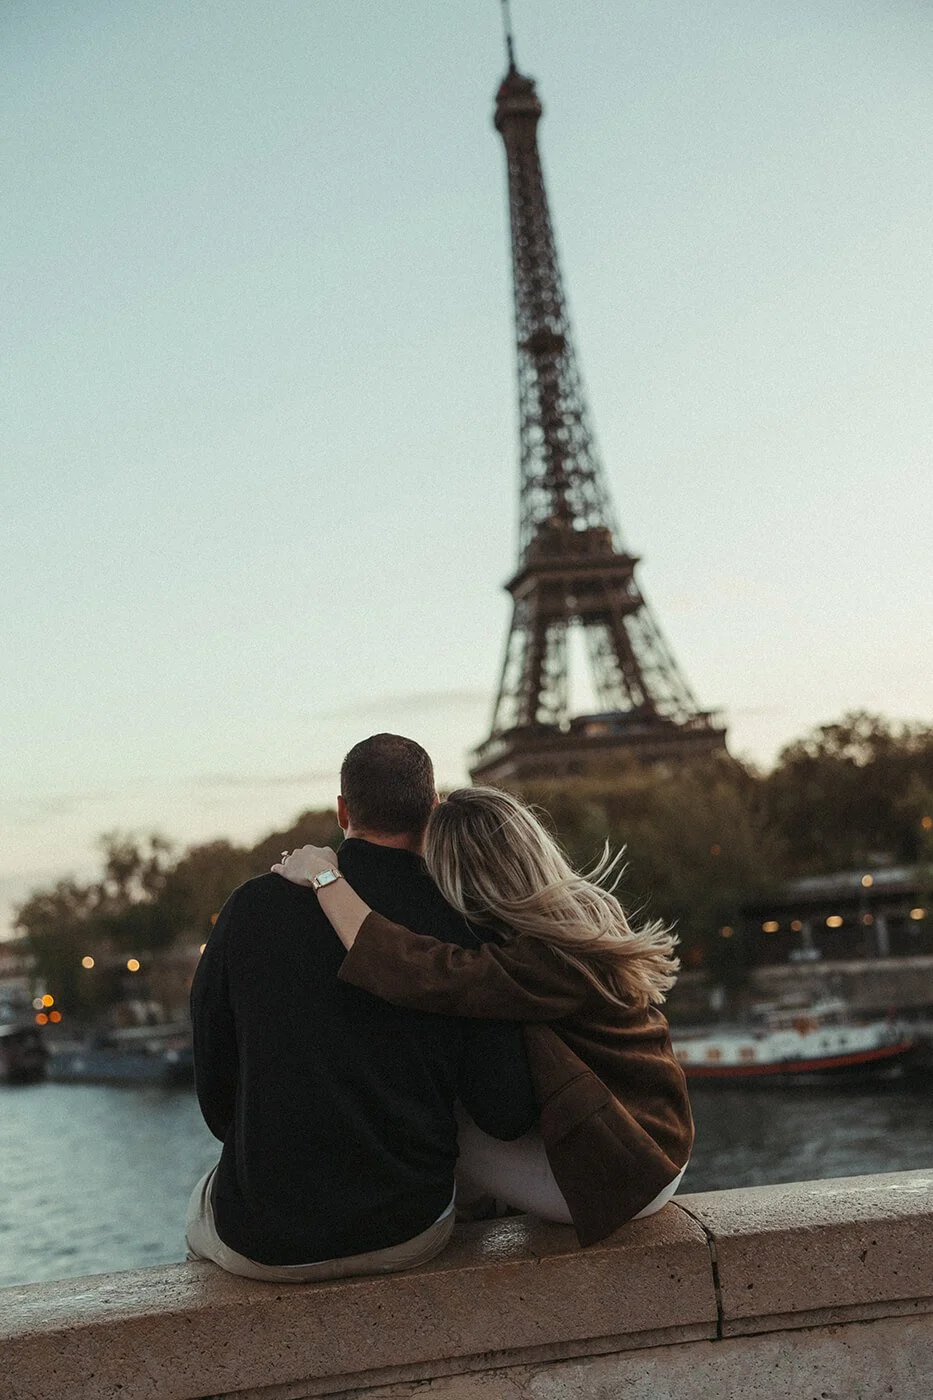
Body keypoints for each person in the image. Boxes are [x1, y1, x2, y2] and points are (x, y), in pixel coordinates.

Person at [273, 785, 694, 1247]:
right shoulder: (580, 915)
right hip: (649, 1144)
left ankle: (405, 1225)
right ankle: (470, 1209)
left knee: (424, 1090)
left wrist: (325, 878)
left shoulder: (543, 958)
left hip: (620, 1172)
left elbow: (418, 970)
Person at [187, 736, 537, 1282]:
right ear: (435, 809)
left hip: (265, 1236)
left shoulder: (249, 907)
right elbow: (505, 1111)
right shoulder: (462, 921)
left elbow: (216, 1099)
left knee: (203, 1204)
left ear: (343, 810)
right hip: (407, 1228)